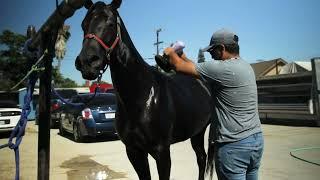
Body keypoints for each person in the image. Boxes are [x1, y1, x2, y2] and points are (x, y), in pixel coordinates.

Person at [163, 28, 264, 180]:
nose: (210, 54)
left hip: (232, 146)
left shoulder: (223, 69)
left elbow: (178, 67)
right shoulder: (246, 67)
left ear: (222, 48)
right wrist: (182, 54)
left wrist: (170, 52)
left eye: (212, 50)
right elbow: (197, 70)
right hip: (255, 141)